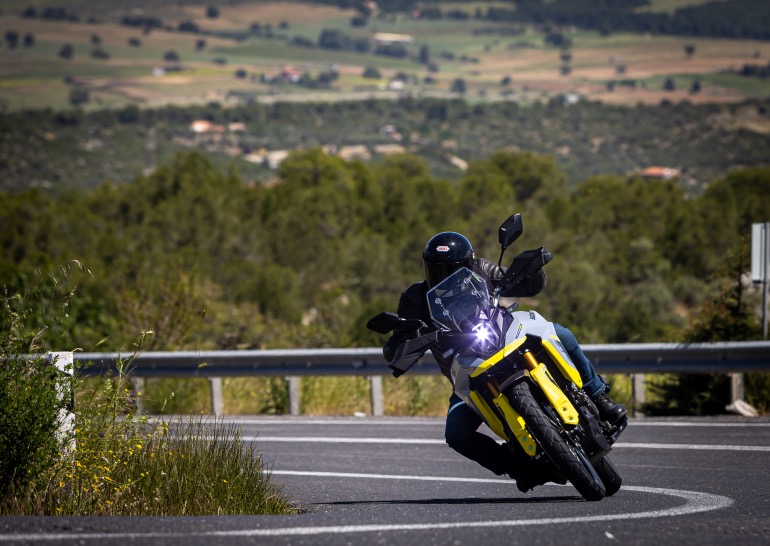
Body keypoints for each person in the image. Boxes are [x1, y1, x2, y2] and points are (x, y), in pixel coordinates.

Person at [383, 231, 627, 493]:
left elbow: (526, 284)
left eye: (452, 268)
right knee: (456, 434)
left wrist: (530, 272)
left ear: (467, 263)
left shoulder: (482, 269)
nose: (444, 274)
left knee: (561, 333)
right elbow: (400, 338)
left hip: (503, 336)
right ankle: (517, 466)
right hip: (466, 368)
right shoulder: (416, 298)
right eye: (436, 268)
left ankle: (598, 395)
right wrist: (403, 345)